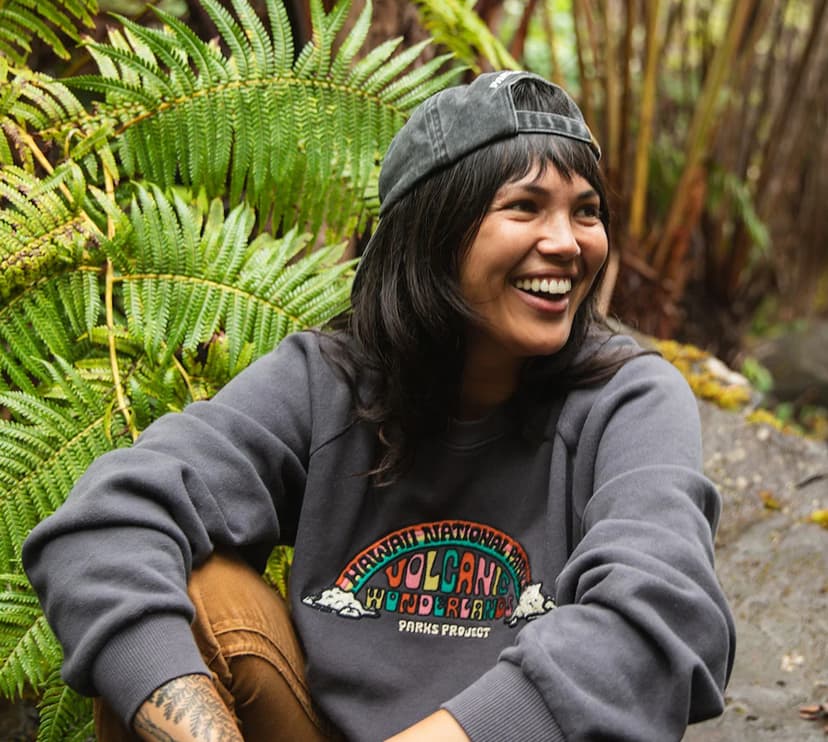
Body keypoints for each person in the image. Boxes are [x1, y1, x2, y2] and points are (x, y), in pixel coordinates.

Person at [23, 70, 735, 742]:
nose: (567, 243)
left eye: (586, 213)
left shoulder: (629, 399)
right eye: (524, 207)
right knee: (199, 591)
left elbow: (659, 613)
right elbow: (107, 523)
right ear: (434, 230)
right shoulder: (327, 379)